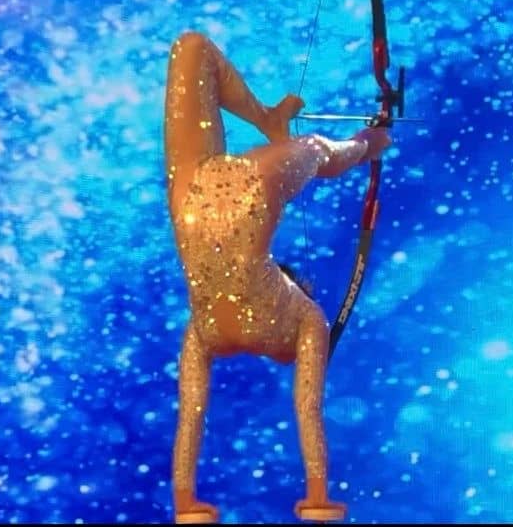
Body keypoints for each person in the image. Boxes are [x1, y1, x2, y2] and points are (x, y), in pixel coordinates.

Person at [162, 31, 391, 524]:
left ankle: (360, 144)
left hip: (212, 191)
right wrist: (316, 497)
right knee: (194, 50)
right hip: (196, 195)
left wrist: (187, 500)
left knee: (314, 146)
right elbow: (305, 405)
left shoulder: (297, 317)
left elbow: (194, 408)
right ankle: (278, 121)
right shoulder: (231, 327)